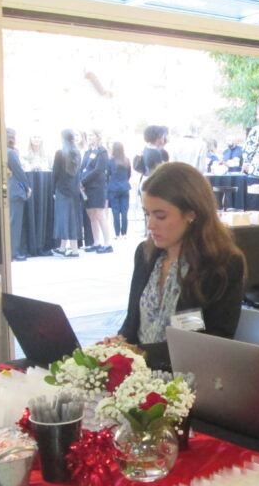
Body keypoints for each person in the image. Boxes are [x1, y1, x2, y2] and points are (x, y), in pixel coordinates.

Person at [116, 162, 246, 370]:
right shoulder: (145, 255)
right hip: (139, 375)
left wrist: (142, 353)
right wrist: (118, 343)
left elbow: (213, 341)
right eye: (146, 213)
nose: (150, 224)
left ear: (191, 214)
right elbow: (133, 323)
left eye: (160, 216)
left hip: (188, 381)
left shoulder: (222, 265)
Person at [79, 128, 112, 254]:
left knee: (99, 213)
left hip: (97, 186)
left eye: (92, 135)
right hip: (86, 187)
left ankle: (107, 243)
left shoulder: (102, 151)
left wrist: (83, 181)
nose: (90, 138)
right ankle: (96, 242)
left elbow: (98, 170)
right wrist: (80, 181)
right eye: (89, 136)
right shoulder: (87, 152)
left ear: (98, 136)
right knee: (91, 214)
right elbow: (82, 168)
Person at [51, 129, 83, 258]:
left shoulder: (60, 153)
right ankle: (64, 247)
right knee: (72, 218)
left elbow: (55, 173)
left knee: (63, 218)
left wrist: (53, 189)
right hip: (74, 189)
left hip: (62, 189)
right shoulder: (77, 153)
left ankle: (73, 250)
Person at [6, 128, 31, 262]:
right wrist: (27, 186)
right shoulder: (11, 153)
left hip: (7, 190)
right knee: (14, 223)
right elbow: (19, 172)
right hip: (15, 191)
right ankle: (14, 252)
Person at [107, 141, 131, 240]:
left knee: (115, 211)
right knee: (125, 211)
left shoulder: (110, 161)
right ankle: (124, 233)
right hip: (125, 186)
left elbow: (107, 174)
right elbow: (129, 174)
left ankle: (117, 234)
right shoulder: (127, 160)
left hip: (113, 187)